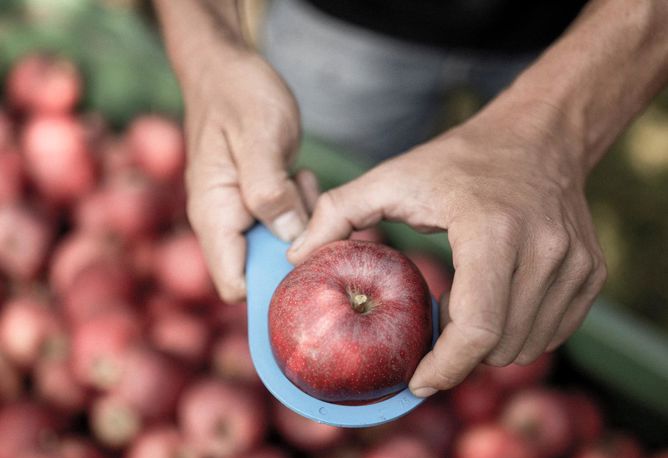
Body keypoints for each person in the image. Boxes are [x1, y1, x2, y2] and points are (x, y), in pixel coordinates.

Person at [152, 0, 668, 398]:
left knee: (527, 240)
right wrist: (206, 48)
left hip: (577, 29)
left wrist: (560, 129)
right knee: (328, 164)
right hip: (340, 27)